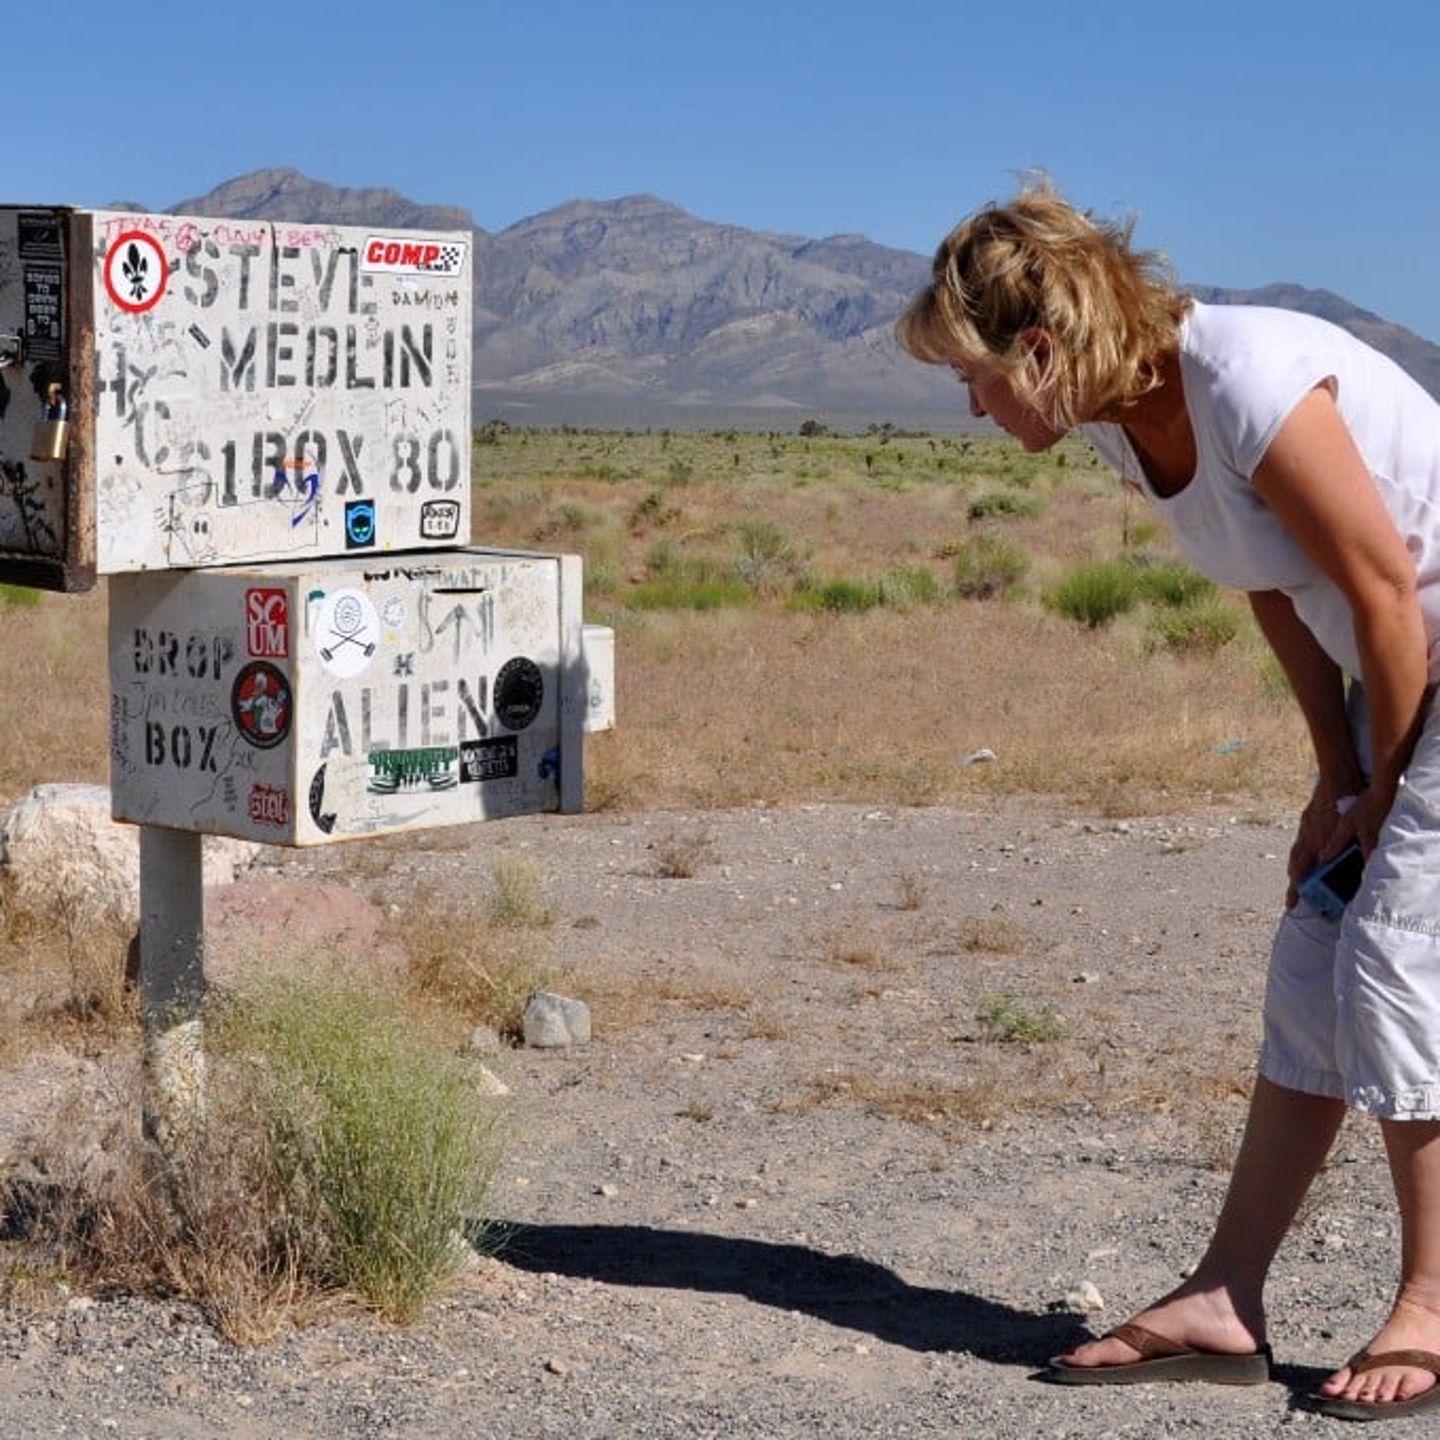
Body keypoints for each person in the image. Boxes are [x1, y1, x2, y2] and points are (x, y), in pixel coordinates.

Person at [896, 183, 1440, 1422]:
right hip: (1401, 676)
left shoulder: (1245, 379)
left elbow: (1384, 594)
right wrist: (1333, 779)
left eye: (974, 377)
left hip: (1422, 653)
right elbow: (1266, 580)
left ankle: (1433, 1299)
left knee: (1400, 953)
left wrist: (1388, 790)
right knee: (1316, 956)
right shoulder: (1123, 418)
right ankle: (1224, 1299)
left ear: (1039, 350)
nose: (973, 410)